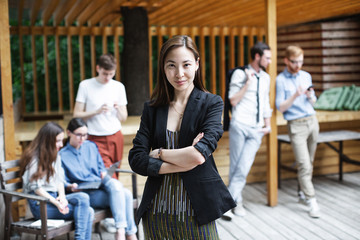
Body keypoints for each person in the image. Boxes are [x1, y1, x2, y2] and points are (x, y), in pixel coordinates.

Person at [128, 35, 235, 239]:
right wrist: (183, 161)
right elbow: (136, 159)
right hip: (156, 211)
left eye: (186, 64)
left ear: (196, 64)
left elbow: (198, 156)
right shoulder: (152, 109)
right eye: (171, 65)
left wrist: (159, 153)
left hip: (197, 213)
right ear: (163, 68)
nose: (179, 73)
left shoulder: (211, 104)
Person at [59, 118, 138, 240]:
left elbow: (100, 167)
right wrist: (70, 186)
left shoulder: (91, 146)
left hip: (99, 184)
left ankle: (122, 231)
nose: (82, 139)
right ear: (69, 133)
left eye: (85, 135)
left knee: (117, 186)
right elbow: (61, 181)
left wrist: (103, 173)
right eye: (79, 135)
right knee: (126, 194)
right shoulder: (62, 155)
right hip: (84, 192)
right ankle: (128, 234)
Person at [223, 42, 272, 220]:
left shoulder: (266, 78)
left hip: (257, 129)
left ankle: (227, 203)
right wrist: (247, 83)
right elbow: (233, 100)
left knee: (243, 168)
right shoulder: (239, 74)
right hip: (240, 125)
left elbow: (266, 102)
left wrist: (268, 125)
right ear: (257, 57)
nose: (270, 61)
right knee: (236, 166)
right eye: (268, 57)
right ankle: (237, 203)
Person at [20, 122, 94, 240]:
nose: (61, 144)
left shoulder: (55, 155)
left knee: (84, 201)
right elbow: (36, 188)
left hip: (53, 199)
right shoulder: (34, 158)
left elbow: (60, 180)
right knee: (87, 211)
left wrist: (62, 197)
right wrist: (57, 203)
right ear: (48, 141)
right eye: (57, 141)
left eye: (61, 140)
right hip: (40, 205)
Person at [275, 45, 320, 218]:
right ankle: (312, 200)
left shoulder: (306, 75)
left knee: (309, 161)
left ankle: (302, 193)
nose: (298, 65)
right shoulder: (280, 80)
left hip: (312, 122)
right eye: (294, 62)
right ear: (286, 60)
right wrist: (295, 95)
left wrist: (310, 96)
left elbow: (314, 101)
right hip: (296, 125)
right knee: (304, 164)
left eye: (301, 61)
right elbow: (280, 107)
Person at [73, 53, 128, 178]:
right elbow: (76, 115)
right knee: (107, 175)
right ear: (98, 68)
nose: (108, 77)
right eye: (105, 73)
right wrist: (96, 111)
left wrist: (118, 108)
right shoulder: (85, 85)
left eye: (111, 74)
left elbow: (123, 117)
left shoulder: (119, 87)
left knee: (115, 172)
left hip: (116, 135)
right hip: (95, 136)